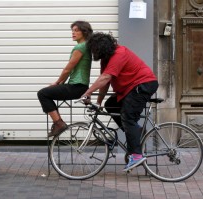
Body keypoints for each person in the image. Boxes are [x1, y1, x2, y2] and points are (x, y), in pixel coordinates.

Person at [82, 32, 158, 172]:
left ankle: (136, 155)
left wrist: (88, 92)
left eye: (93, 49)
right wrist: (98, 103)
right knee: (110, 104)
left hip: (143, 84)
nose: (92, 53)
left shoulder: (119, 53)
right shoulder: (107, 58)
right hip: (130, 88)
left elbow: (105, 78)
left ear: (100, 48)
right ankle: (137, 134)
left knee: (128, 116)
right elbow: (105, 82)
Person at [37, 21, 93, 137]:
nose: (73, 33)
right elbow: (72, 70)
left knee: (42, 93)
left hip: (77, 86)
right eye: (72, 30)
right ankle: (58, 123)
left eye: (76, 30)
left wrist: (57, 82)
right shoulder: (86, 46)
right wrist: (60, 83)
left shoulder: (80, 47)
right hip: (80, 86)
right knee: (46, 93)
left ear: (84, 32)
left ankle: (59, 123)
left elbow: (68, 69)